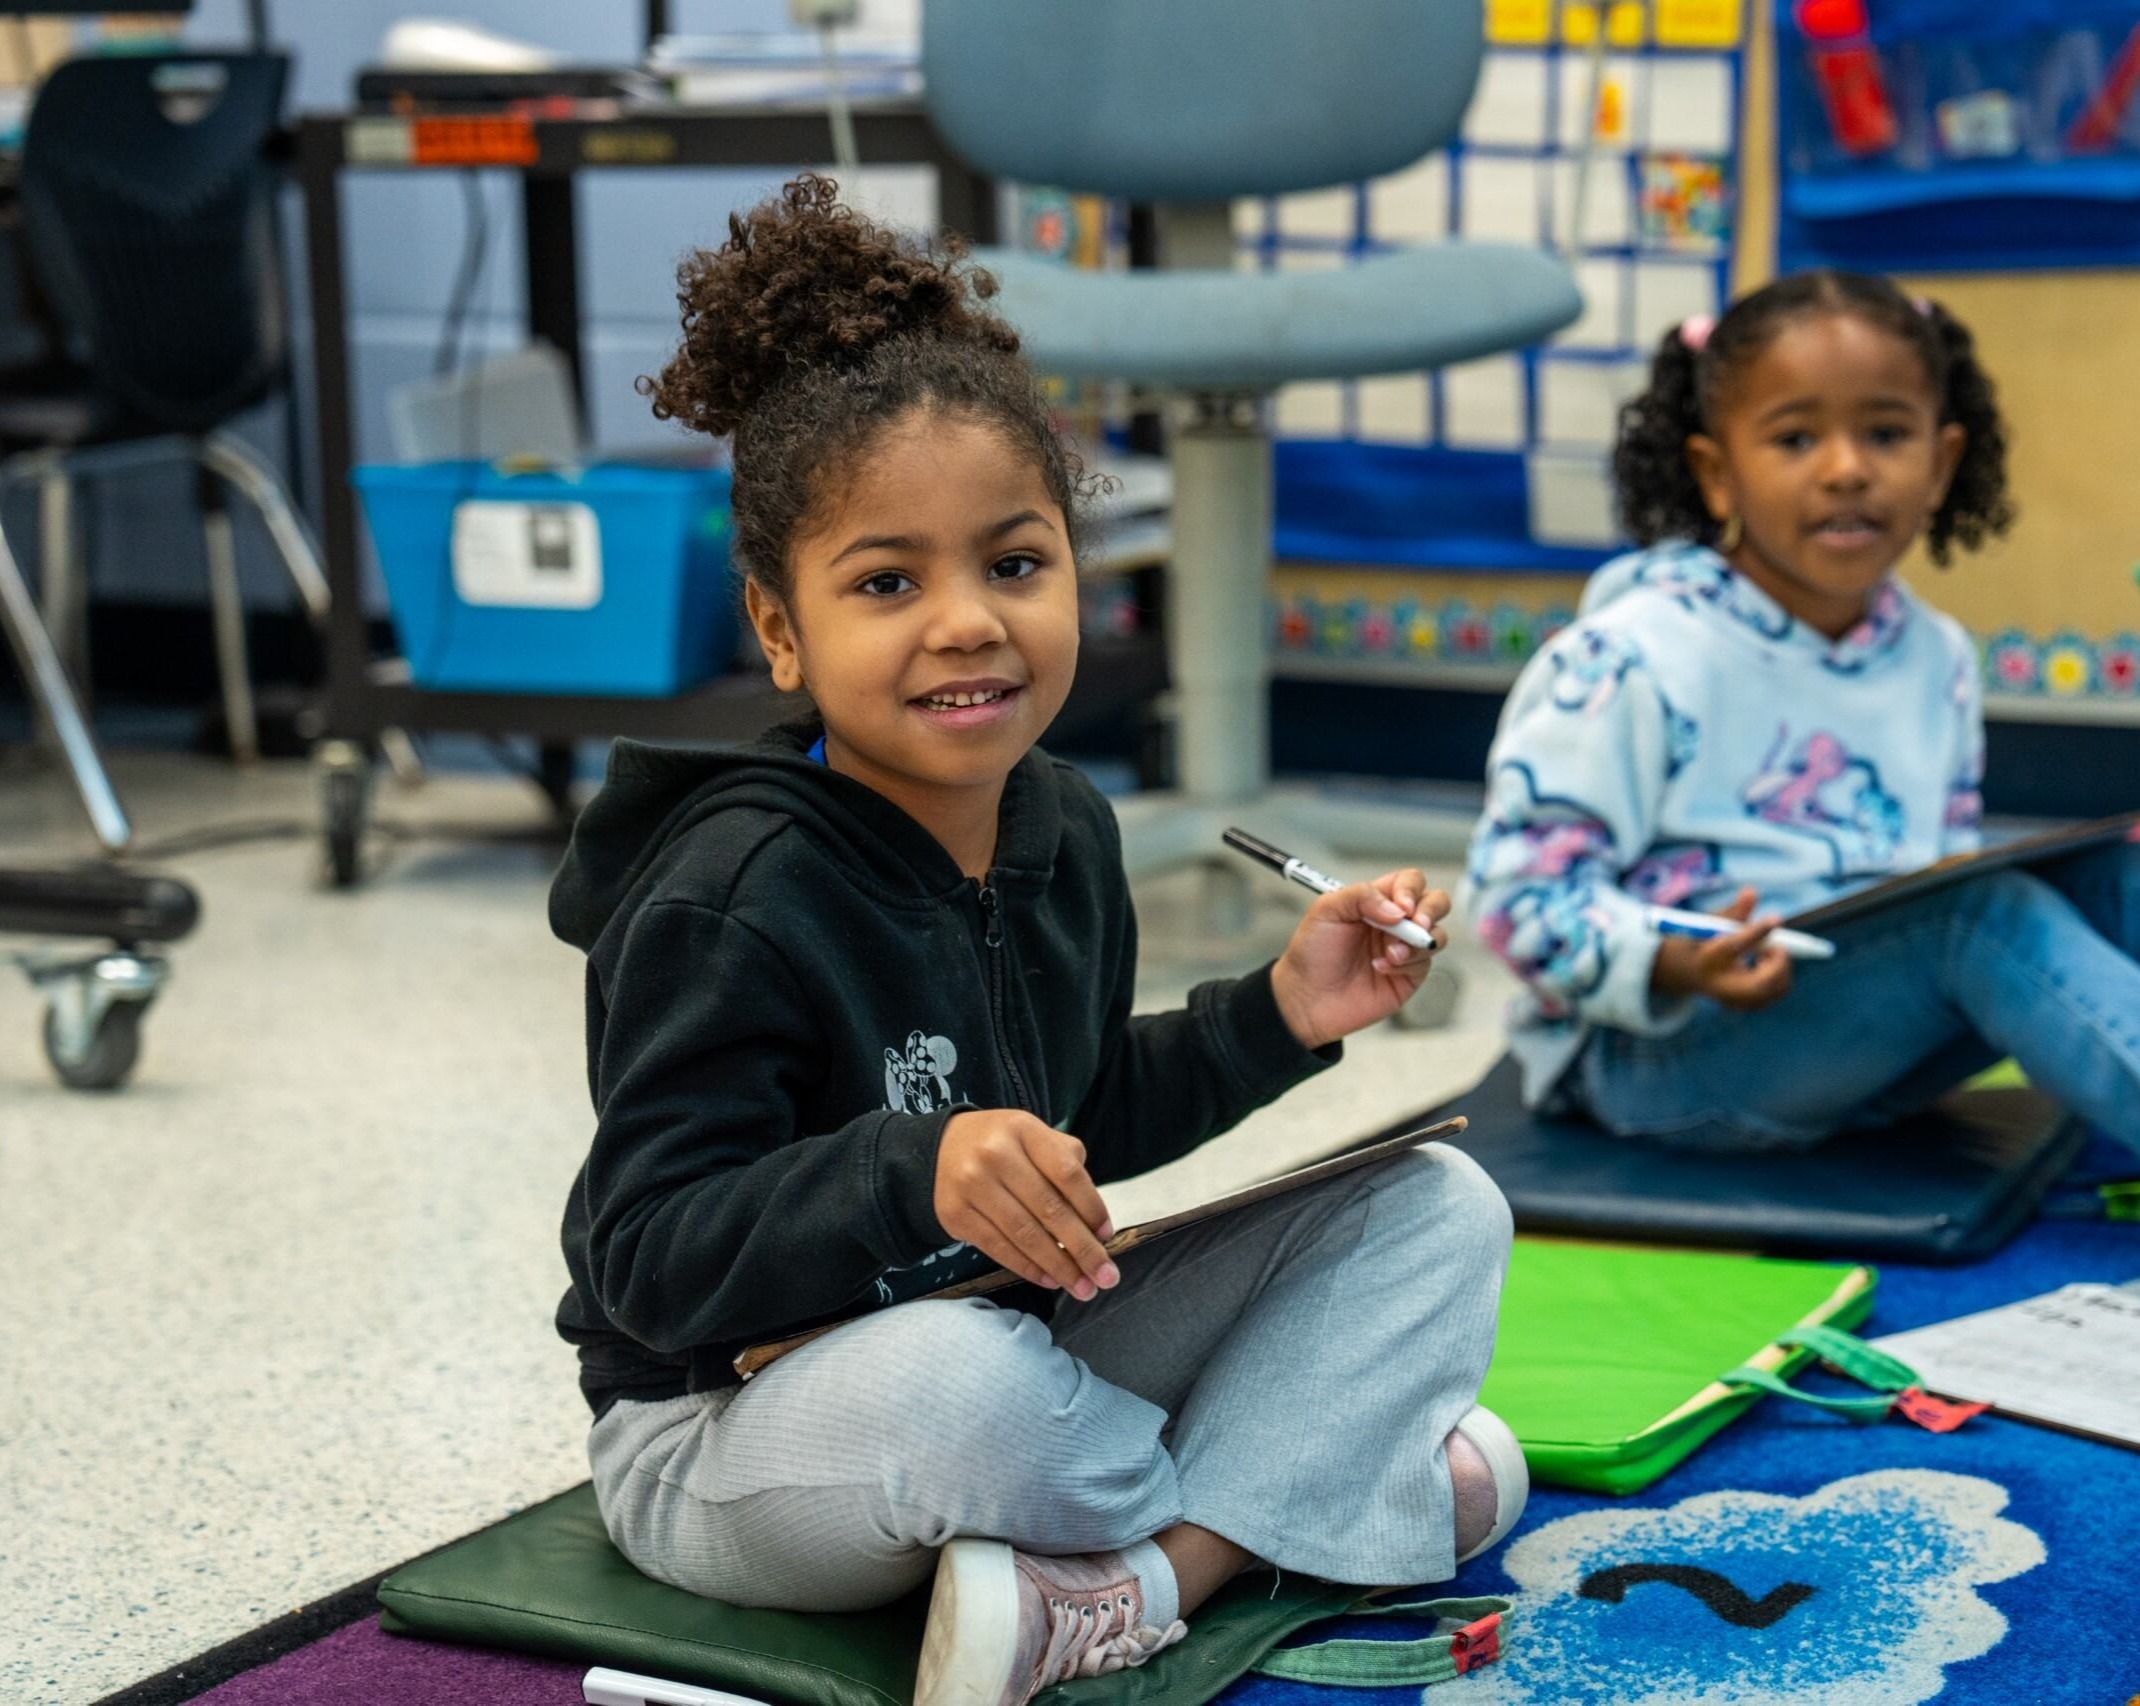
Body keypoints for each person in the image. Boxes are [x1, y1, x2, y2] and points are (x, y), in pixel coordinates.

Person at [548, 176, 1524, 1706]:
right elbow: (644, 1259)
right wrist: (904, 1167)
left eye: (1015, 562)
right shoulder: (726, 895)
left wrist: (1282, 1010)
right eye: (887, 582)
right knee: (977, 1387)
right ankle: (1318, 1499)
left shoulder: (1061, 823)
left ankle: (1142, 1581)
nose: (968, 622)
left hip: (1016, 1336)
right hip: (741, 1423)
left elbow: (1082, 1116)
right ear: (781, 628)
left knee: (1439, 1206)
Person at [1468, 267, 2140, 1154]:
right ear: (1716, 475)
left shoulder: (1935, 653)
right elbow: (1516, 896)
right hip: (1663, 1057)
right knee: (1985, 919)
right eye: (1794, 440)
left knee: (2112, 881)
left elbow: (1941, 865)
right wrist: (1671, 961)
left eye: (1887, 434)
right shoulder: (1627, 658)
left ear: (1941, 464)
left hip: (1865, 1040)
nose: (1847, 470)